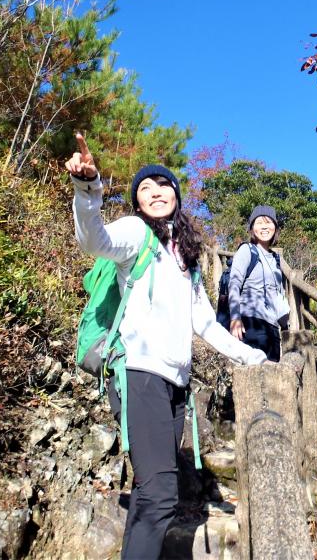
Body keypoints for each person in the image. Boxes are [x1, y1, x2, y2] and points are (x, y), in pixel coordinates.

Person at [65, 134, 266, 560]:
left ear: (176, 194)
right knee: (160, 498)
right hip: (139, 375)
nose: (155, 192)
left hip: (175, 386)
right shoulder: (136, 232)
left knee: (148, 493)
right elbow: (94, 241)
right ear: (138, 202)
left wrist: (252, 356)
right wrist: (87, 189)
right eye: (145, 188)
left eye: (163, 185)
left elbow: (204, 323)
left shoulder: (184, 257)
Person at [227, 205, 289, 362]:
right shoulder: (247, 250)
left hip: (272, 329)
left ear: (275, 227)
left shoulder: (276, 259)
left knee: (272, 374)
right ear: (252, 228)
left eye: (268, 222)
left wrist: (285, 326)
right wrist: (235, 318)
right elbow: (234, 284)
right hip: (250, 324)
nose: (264, 227)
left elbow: (277, 295)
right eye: (259, 222)